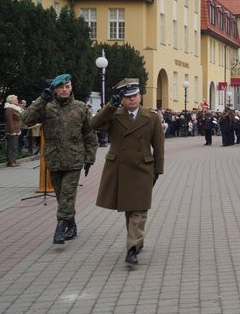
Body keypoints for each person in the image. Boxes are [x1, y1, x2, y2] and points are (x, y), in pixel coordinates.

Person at [91, 78, 164, 265]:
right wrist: (109, 106)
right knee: (129, 209)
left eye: (135, 96)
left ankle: (131, 247)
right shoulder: (114, 115)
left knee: (139, 209)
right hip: (120, 169)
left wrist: (158, 170)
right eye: (128, 97)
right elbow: (94, 125)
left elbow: (159, 146)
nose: (132, 100)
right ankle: (136, 241)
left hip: (142, 168)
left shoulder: (152, 117)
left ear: (140, 96)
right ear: (122, 100)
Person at [21, 74, 98, 245]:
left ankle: (60, 228)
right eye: (61, 87)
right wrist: (41, 100)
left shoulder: (80, 107)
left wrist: (90, 158)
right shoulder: (46, 106)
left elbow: (90, 134)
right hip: (53, 158)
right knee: (61, 196)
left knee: (67, 194)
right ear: (55, 88)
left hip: (74, 158)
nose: (64, 90)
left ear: (71, 88)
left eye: (68, 86)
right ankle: (72, 225)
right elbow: (25, 120)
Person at [4, 94, 23, 167]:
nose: (17, 101)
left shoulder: (15, 108)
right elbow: (9, 121)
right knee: (11, 146)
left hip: (16, 129)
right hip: (12, 130)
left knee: (14, 146)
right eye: (15, 99)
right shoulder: (9, 109)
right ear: (11, 101)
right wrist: (12, 132)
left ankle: (14, 160)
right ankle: (11, 162)